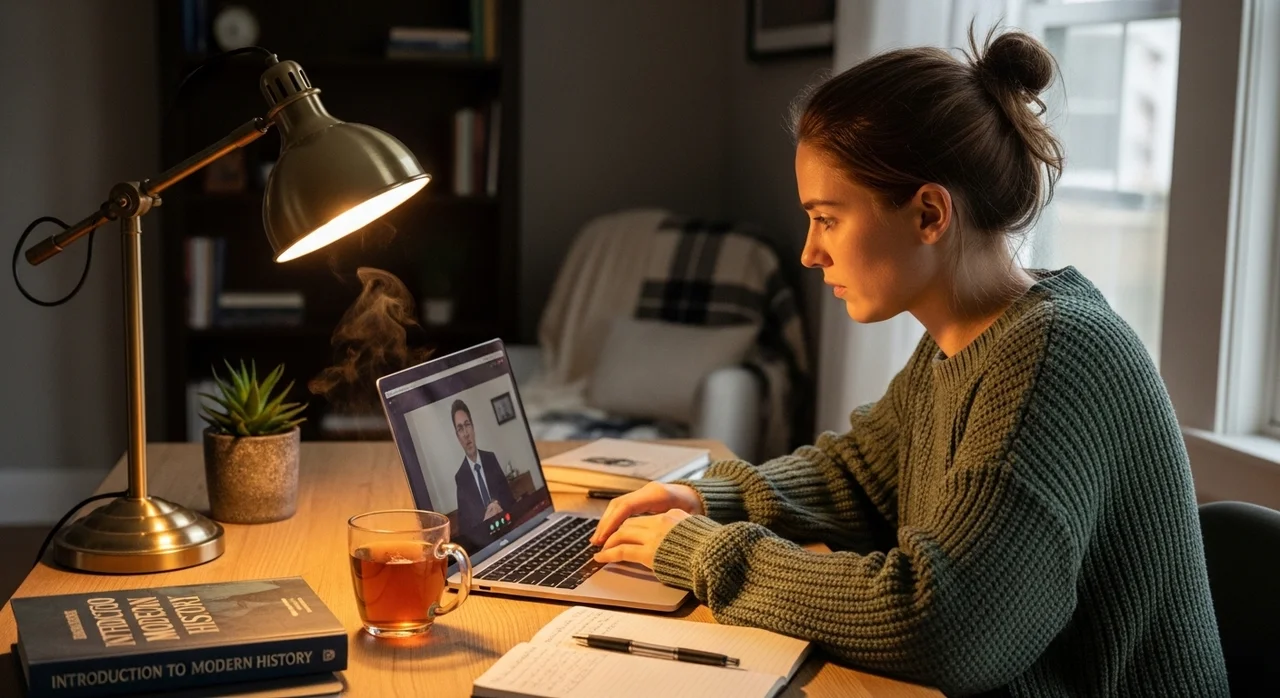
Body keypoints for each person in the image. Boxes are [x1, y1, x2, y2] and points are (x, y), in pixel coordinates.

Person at [590, 28, 1228, 697]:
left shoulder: (1055, 357)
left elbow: (944, 624)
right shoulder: (961, 341)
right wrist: (706, 497)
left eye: (828, 219)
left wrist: (702, 551)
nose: (811, 253)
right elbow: (860, 476)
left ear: (928, 213)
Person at [452, 399, 515, 533]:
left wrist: (498, 505)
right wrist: (484, 519)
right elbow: (465, 527)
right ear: (457, 437)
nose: (466, 434)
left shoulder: (490, 458)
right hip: (485, 540)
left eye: (467, 425)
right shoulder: (460, 477)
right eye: (460, 429)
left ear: (473, 428)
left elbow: (510, 499)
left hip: (506, 527)